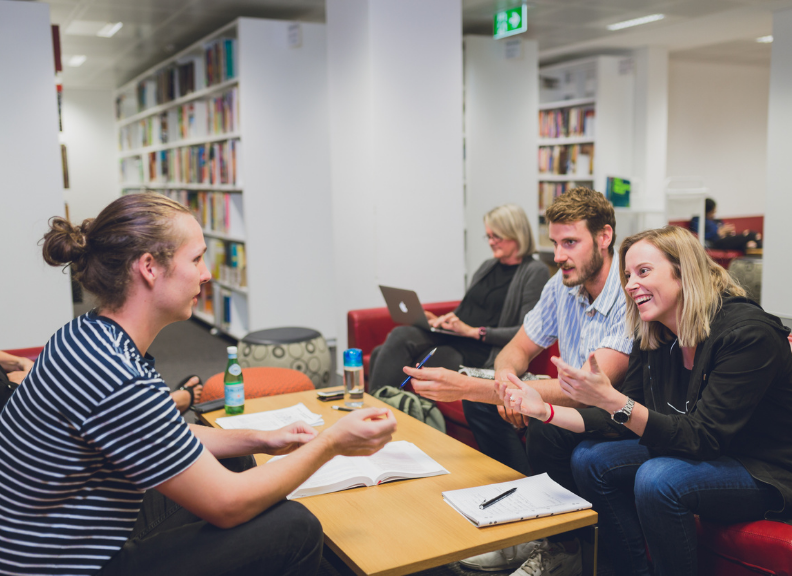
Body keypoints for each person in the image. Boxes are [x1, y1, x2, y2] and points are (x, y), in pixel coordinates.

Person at [0, 193, 398, 576]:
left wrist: (263, 439)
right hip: (67, 565)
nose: (206, 274)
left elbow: (158, 432)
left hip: (65, 535)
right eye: (197, 258)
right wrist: (331, 443)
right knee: (295, 528)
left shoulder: (89, 335)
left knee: (233, 462)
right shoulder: (113, 374)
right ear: (149, 267)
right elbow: (227, 505)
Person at [500, 226, 792, 576]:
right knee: (591, 458)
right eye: (627, 275)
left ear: (684, 272)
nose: (629, 284)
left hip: (762, 467)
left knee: (658, 478)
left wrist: (611, 399)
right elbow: (624, 419)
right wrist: (544, 410)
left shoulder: (748, 334)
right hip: (707, 450)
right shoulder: (655, 331)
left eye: (643, 271)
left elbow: (702, 437)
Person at [403, 188, 633, 573]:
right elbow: (516, 349)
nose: (558, 256)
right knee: (498, 405)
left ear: (604, 237)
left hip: (611, 410)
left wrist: (484, 389)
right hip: (567, 397)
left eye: (570, 242)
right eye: (555, 243)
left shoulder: (628, 295)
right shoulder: (562, 284)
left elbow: (591, 393)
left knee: (542, 420)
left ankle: (560, 546)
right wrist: (507, 385)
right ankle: (522, 525)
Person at [368, 204, 549, 393]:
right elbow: (468, 309)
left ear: (517, 234)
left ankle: (380, 412)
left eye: (497, 236)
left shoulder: (535, 272)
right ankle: (374, 412)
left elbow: (525, 331)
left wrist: (473, 332)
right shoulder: (488, 266)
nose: (491, 242)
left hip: (480, 350)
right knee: (398, 336)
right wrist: (443, 320)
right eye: (488, 236)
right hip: (456, 336)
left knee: (409, 359)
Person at [690, 197, 761, 251]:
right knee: (751, 235)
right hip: (716, 243)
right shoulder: (698, 220)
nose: (714, 214)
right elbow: (697, 236)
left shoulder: (715, 220)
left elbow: (722, 229)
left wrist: (727, 232)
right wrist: (718, 233)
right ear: (706, 211)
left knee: (748, 244)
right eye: (712, 212)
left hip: (725, 239)